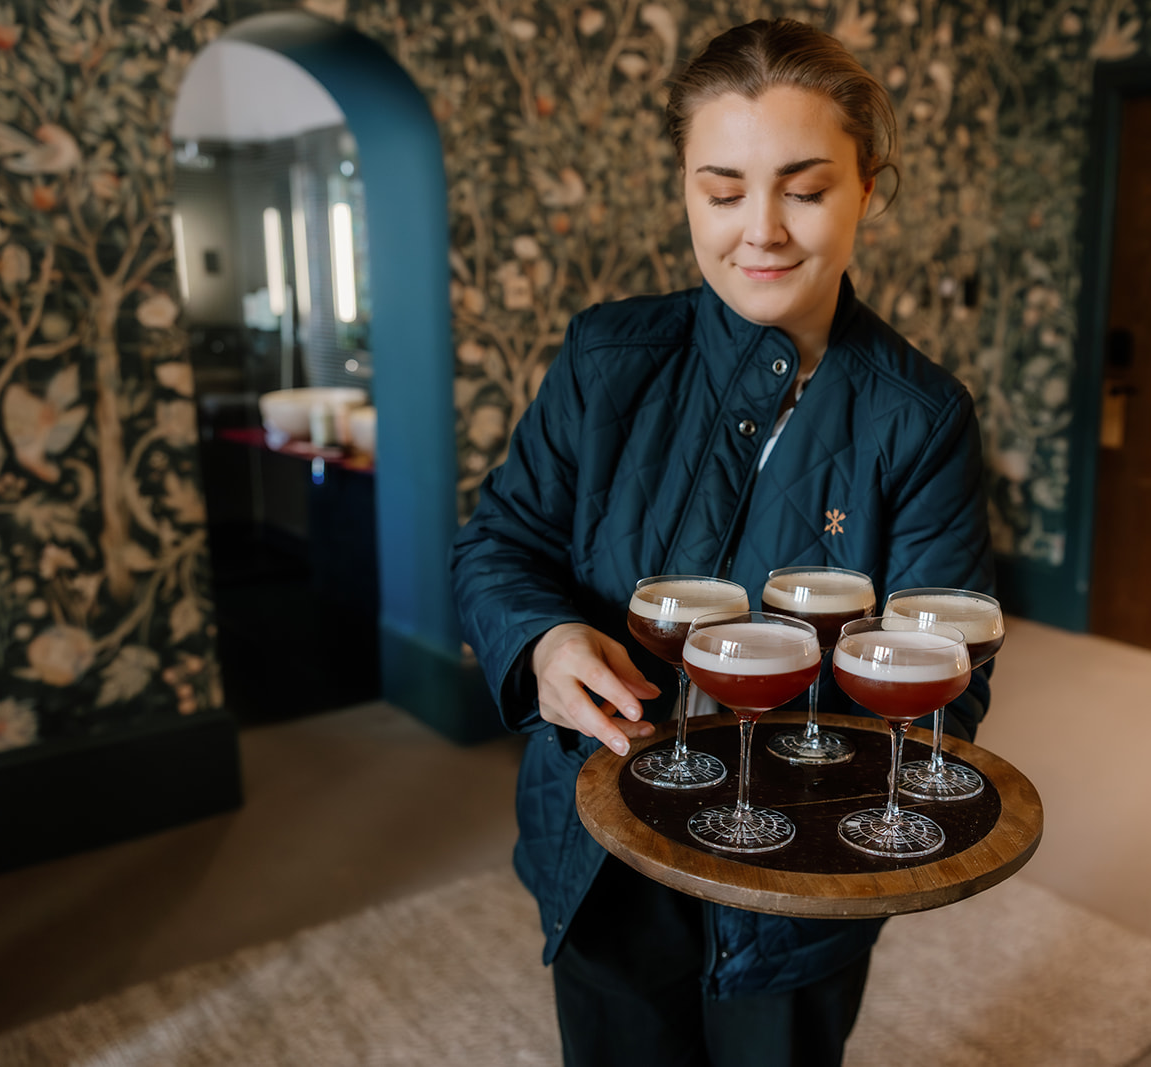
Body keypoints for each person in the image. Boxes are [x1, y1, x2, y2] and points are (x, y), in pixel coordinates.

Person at [452, 18, 995, 1067]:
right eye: (721, 188)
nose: (762, 230)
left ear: (868, 189)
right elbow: (498, 542)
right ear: (683, 192)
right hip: (600, 837)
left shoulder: (920, 418)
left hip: (797, 890)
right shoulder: (605, 359)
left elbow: (952, 683)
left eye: (804, 186)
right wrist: (548, 641)